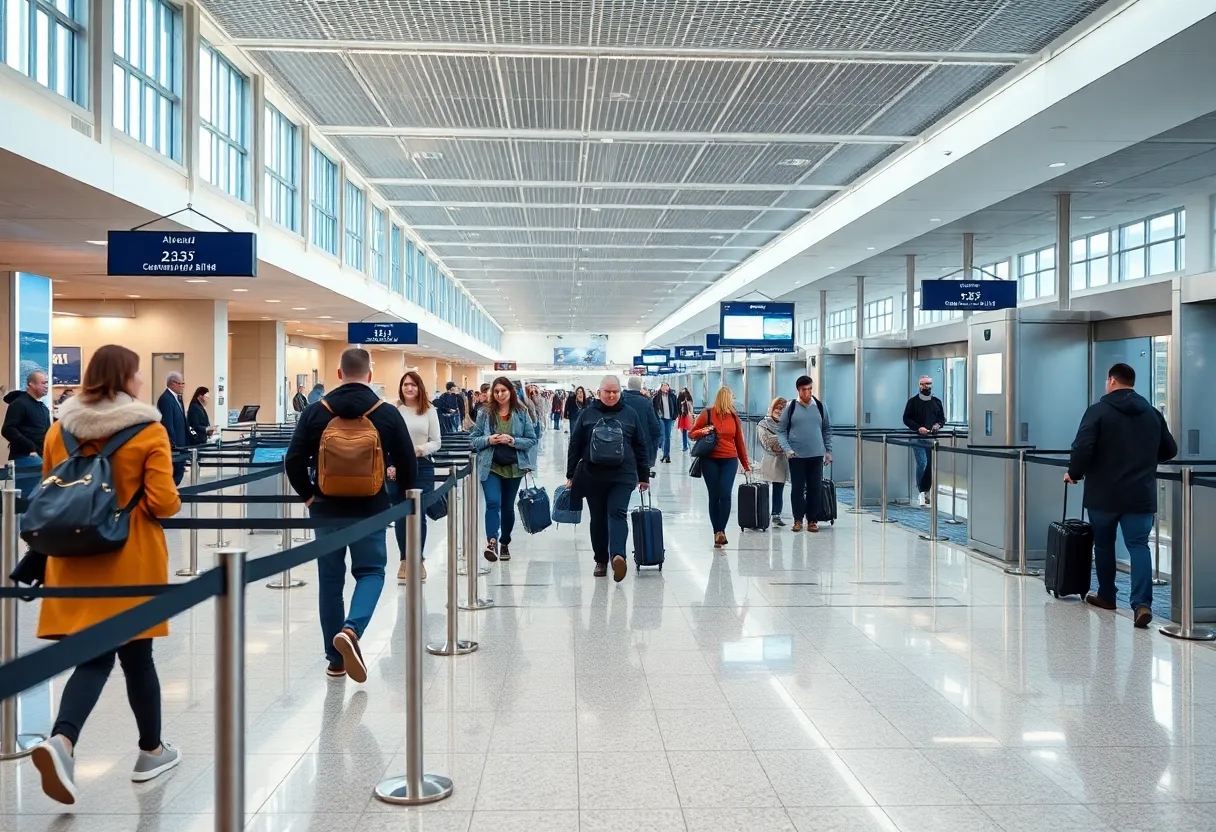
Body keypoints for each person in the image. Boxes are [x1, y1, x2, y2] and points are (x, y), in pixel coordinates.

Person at [29, 345, 182, 804]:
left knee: (93, 653)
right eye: (136, 373)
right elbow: (163, 502)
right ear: (126, 377)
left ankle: (66, 740)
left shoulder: (60, 429)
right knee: (137, 656)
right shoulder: (148, 430)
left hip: (72, 556)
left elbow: (49, 488)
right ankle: (147, 750)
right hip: (128, 559)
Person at [285, 348, 416, 682]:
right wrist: (401, 501)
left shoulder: (315, 411)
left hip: (326, 510)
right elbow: (408, 465)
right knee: (371, 572)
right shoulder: (386, 413)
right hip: (370, 508)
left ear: (339, 374)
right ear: (370, 376)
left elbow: (293, 460)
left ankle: (335, 661)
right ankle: (352, 630)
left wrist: (309, 497)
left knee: (330, 581)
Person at [1066, 362, 1177, 628]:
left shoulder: (1098, 411)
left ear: (1112, 381)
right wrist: (1145, 460)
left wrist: (1075, 473)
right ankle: (1142, 604)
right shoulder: (1151, 413)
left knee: (1104, 544)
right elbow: (1169, 449)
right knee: (1138, 545)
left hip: (1103, 493)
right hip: (1140, 493)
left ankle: (1106, 595)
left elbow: (1083, 446)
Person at [567, 376, 650, 581]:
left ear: (620, 392)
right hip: (592, 475)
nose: (611, 395)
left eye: (615, 392)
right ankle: (601, 559)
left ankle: (618, 556)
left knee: (617, 512)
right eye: (607, 391)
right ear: (599, 392)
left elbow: (641, 445)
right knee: (598, 518)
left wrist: (644, 475)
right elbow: (575, 444)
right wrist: (570, 474)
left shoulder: (630, 414)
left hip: (623, 474)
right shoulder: (587, 414)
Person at [469, 377, 537, 563]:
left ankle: (504, 541)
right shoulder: (485, 413)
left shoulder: (521, 413)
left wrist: (513, 441)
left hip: (514, 467)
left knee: (507, 507)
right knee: (493, 502)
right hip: (490, 465)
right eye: (496, 391)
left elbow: (532, 440)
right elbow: (473, 439)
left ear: (511, 392)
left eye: (503, 391)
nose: (499, 394)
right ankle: (491, 541)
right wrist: (489, 440)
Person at [391, 371, 441, 583]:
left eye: (413, 385)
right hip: (397, 467)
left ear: (420, 387)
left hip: (421, 466)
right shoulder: (394, 410)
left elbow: (436, 441)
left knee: (418, 515)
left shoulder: (429, 410)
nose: (409, 388)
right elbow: (386, 440)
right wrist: (390, 463)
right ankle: (404, 558)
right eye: (405, 385)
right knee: (401, 515)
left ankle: (418, 559)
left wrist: (419, 450)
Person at [688, 387, 751, 549]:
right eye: (731, 398)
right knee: (714, 495)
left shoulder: (734, 417)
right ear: (725, 399)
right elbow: (692, 434)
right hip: (710, 459)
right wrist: (704, 430)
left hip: (729, 459)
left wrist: (745, 464)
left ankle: (721, 530)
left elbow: (739, 442)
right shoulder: (707, 414)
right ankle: (717, 531)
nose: (732, 401)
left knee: (725, 493)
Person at [776, 375, 833, 533]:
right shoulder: (791, 406)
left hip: (816, 454)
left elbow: (827, 429)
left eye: (809, 389)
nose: (807, 393)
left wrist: (828, 451)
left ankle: (812, 520)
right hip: (796, 456)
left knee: (815, 488)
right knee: (798, 489)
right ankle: (798, 519)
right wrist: (787, 448)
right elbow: (781, 430)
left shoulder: (820, 406)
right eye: (803, 390)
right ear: (798, 390)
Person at [2, 370, 50, 497]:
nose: (46, 386)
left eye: (47, 383)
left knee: (38, 498)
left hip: (40, 457)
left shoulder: (43, 408)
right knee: (27, 498)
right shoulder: (19, 404)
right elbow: (8, 429)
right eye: (43, 383)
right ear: (31, 384)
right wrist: (31, 447)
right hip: (25, 458)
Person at [903, 375, 946, 506]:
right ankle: (922, 492)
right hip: (917, 437)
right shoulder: (912, 402)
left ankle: (926, 491)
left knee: (930, 465)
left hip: (931, 438)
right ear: (919, 386)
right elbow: (906, 419)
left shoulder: (937, 402)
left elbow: (942, 419)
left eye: (928, 384)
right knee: (923, 463)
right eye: (922, 384)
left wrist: (937, 425)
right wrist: (918, 428)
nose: (925, 386)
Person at [757, 397, 790, 527]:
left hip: (782, 460)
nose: (779, 411)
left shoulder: (787, 424)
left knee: (779, 487)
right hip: (769, 458)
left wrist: (781, 441)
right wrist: (782, 438)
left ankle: (776, 514)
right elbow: (765, 441)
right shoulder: (763, 424)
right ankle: (761, 514)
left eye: (783, 408)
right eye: (777, 408)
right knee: (764, 488)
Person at [155, 372, 188, 486]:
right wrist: (175, 445)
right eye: (180, 383)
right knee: (174, 475)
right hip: (175, 445)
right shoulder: (166, 399)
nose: (182, 386)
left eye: (183, 383)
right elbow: (168, 424)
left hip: (181, 443)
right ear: (172, 383)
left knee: (179, 474)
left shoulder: (177, 398)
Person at [622, 376, 661, 471]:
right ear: (640, 387)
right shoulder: (646, 403)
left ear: (628, 386)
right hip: (642, 446)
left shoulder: (619, 401)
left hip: (621, 447)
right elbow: (655, 428)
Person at [652, 382, 678, 464]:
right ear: (660, 388)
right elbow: (654, 408)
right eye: (663, 386)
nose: (665, 387)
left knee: (667, 437)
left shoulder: (672, 396)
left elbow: (676, 407)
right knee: (663, 435)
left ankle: (667, 455)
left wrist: (675, 416)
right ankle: (664, 453)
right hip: (661, 418)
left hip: (669, 418)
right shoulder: (656, 397)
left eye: (666, 386)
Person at [676, 388, 694, 452]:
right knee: (685, 431)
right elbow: (691, 407)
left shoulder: (681, 397)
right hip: (685, 416)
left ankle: (686, 446)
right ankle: (686, 446)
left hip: (684, 416)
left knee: (684, 431)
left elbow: (678, 406)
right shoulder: (687, 397)